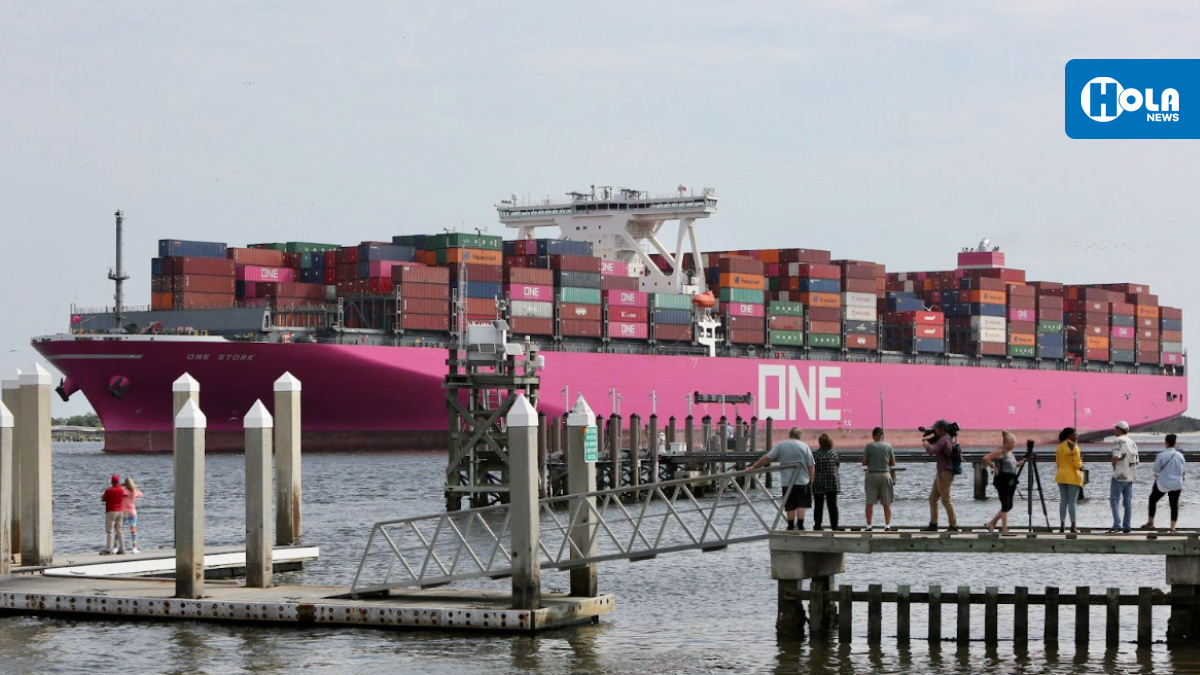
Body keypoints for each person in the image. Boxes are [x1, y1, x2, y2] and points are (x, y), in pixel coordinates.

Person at [749, 427, 816, 530]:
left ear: (789, 434)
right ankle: (801, 526)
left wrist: (755, 466)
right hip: (802, 481)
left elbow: (767, 458)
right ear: (800, 435)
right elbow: (811, 466)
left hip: (787, 481)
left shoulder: (781, 445)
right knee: (801, 504)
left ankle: (790, 526)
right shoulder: (804, 446)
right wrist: (811, 480)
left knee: (790, 504)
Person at [984, 431, 1024, 534]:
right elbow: (986, 458)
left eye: (1015, 443)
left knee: (1009, 505)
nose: (1014, 445)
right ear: (1006, 443)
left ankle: (992, 523)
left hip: (1011, 480)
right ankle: (1004, 529)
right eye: (1013, 443)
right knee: (1005, 505)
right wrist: (994, 467)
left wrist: (1020, 463)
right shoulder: (1000, 451)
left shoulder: (1011, 453)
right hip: (1002, 479)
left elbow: (1012, 465)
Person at [921, 420, 958, 532]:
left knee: (946, 500)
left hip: (945, 473)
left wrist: (926, 442)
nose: (935, 430)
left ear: (942, 429)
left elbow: (932, 451)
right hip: (941, 473)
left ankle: (953, 526)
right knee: (933, 499)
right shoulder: (944, 438)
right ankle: (933, 524)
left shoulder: (944, 439)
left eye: (936, 428)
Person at [1144, 434, 1186, 532]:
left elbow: (1155, 469)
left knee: (1152, 499)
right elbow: (1183, 471)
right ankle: (1173, 527)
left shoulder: (1161, 455)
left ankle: (1150, 522)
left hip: (1163, 484)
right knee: (1174, 504)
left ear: (1166, 443)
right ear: (1175, 443)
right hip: (1177, 484)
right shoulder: (1180, 456)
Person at [862, 427, 896, 532]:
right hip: (885, 474)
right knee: (886, 503)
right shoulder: (888, 446)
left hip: (872, 475)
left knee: (869, 503)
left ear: (873, 436)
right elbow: (892, 463)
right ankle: (887, 526)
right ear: (883, 436)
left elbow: (864, 462)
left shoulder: (869, 446)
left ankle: (869, 526)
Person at [1109, 421, 1139, 534]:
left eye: (1116, 428)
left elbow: (1115, 457)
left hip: (1119, 475)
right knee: (1127, 502)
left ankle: (1117, 525)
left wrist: (1113, 465)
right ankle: (1127, 526)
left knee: (1114, 501)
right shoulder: (1132, 442)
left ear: (1120, 430)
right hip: (1131, 475)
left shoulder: (1118, 441)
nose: (1114, 430)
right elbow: (1137, 460)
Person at [1055, 427, 1083, 533]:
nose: (1077, 436)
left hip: (1061, 476)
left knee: (1063, 501)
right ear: (1069, 436)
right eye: (1075, 434)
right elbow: (1076, 464)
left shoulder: (1059, 447)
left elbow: (1057, 462)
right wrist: (1081, 462)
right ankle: (1073, 525)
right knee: (1072, 502)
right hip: (1072, 477)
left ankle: (1062, 525)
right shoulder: (1074, 447)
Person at [811, 433, 840, 531]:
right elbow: (837, 465)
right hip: (832, 481)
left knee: (818, 505)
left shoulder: (815, 454)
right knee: (832, 505)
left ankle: (817, 526)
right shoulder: (833, 454)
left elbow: (812, 467)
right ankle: (834, 527)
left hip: (818, 481)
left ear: (820, 443)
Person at [100, 475, 127, 555]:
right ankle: (122, 549)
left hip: (111, 512)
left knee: (109, 531)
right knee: (119, 531)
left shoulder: (109, 490)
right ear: (118, 481)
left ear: (111, 481)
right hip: (120, 511)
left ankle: (108, 549)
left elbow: (102, 499)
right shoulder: (122, 490)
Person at [122, 477, 144, 554]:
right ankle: (134, 548)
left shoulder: (123, 492)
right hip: (132, 512)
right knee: (133, 530)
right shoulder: (134, 492)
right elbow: (140, 493)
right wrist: (134, 486)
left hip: (124, 512)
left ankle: (117, 547)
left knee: (119, 530)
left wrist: (121, 486)